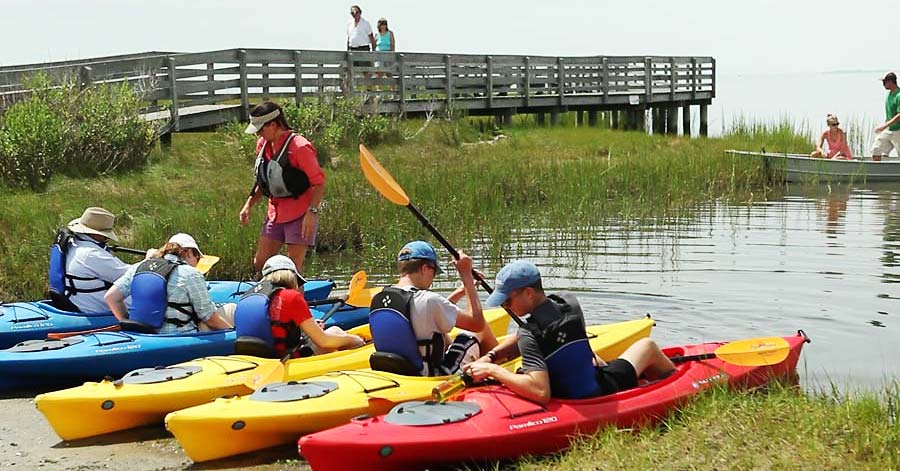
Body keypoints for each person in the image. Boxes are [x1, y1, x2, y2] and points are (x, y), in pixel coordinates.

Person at [465, 260, 675, 406]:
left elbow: (540, 392)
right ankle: (668, 380)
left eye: (506, 301)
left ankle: (674, 391)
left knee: (646, 347)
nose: (505, 307)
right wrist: (492, 356)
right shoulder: (569, 303)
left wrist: (494, 371)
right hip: (597, 383)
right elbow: (535, 336)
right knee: (646, 346)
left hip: (592, 393)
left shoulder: (530, 334)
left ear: (528, 293)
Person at [369, 241, 499, 376]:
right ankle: (501, 367)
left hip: (397, 372)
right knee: (481, 332)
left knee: (440, 334)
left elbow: (432, 312)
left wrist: (461, 291)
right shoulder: (428, 300)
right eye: (434, 272)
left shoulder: (378, 297)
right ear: (425, 268)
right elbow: (477, 323)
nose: (433, 279)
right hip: (433, 375)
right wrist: (466, 277)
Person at [239, 101, 326, 274]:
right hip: (275, 213)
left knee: (292, 270)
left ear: (273, 124)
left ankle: (295, 299)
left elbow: (319, 183)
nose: (258, 135)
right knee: (261, 263)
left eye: (260, 130)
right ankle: (270, 298)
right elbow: (265, 179)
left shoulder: (300, 147)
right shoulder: (262, 145)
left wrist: (312, 212)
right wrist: (249, 203)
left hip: (301, 214)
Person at [234, 255, 365, 358]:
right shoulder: (292, 297)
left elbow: (270, 326)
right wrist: (353, 339)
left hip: (254, 359)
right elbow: (324, 342)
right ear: (292, 277)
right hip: (285, 360)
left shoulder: (246, 297)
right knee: (335, 331)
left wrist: (305, 329)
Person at [105, 233, 234, 333]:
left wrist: (129, 323)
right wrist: (232, 333)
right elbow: (209, 318)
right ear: (189, 252)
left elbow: (111, 297)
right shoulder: (190, 273)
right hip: (180, 336)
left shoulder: (140, 267)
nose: (197, 263)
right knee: (231, 309)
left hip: (142, 334)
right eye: (197, 257)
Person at [49, 207, 136, 313]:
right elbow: (132, 277)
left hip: (73, 299)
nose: (106, 239)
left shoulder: (72, 242)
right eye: (105, 236)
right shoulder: (91, 254)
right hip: (91, 307)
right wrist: (151, 260)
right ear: (95, 234)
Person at [871, 72, 900, 161]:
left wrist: (884, 126)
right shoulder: (889, 94)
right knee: (876, 149)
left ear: (891, 82)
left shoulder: (898, 95)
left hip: (898, 131)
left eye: (885, 82)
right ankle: (877, 172)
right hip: (889, 130)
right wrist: (886, 126)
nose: (883, 85)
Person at [347, 4, 376, 84]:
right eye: (352, 13)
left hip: (363, 48)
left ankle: (369, 90)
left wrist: (374, 52)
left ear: (360, 12)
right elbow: (349, 37)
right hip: (352, 49)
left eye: (356, 12)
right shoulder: (349, 24)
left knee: (366, 70)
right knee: (350, 70)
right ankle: (351, 90)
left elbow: (371, 37)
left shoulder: (366, 23)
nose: (355, 14)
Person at [374, 18, 395, 85]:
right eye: (382, 25)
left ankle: (393, 91)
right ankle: (378, 91)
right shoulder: (377, 34)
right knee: (379, 72)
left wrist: (392, 54)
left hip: (388, 53)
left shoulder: (390, 33)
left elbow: (392, 44)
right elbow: (374, 45)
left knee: (389, 73)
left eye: (384, 24)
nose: (383, 26)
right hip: (378, 54)